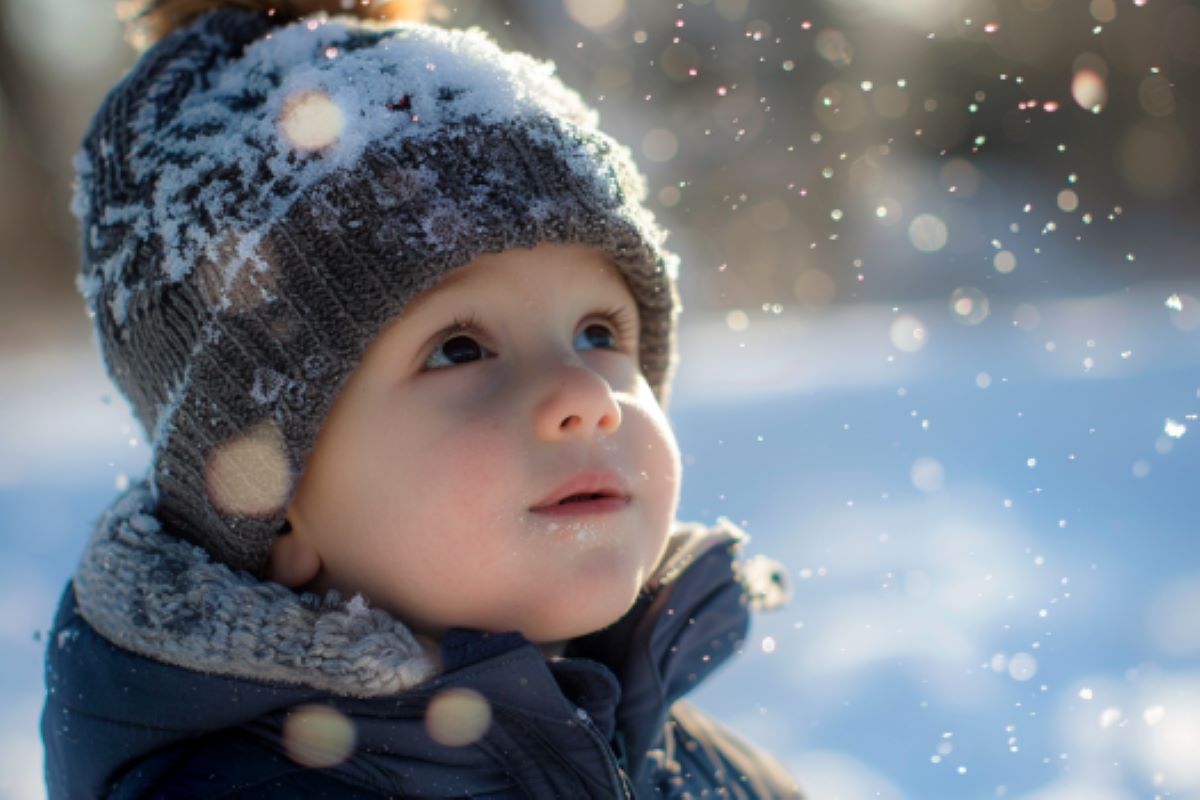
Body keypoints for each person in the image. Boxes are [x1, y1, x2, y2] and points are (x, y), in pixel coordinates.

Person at [41, 1, 802, 796]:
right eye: (460, 349)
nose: (586, 396)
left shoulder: (700, 767)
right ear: (273, 502)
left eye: (598, 332)